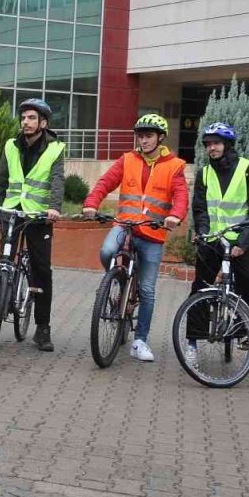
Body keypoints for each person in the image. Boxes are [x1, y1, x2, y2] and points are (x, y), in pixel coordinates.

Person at [82, 114, 188, 362]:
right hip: (125, 225)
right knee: (107, 252)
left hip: (153, 232)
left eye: (149, 135)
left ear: (160, 137)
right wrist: (91, 203)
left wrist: (175, 216)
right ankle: (116, 280)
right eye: (140, 135)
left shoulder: (175, 166)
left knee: (148, 290)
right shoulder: (127, 159)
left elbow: (181, 196)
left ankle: (140, 341)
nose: (144, 140)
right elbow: (105, 182)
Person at [0, 98, 65, 352]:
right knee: (4, 261)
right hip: (11, 212)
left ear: (43, 123)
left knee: (41, 271)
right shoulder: (11, 146)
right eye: (23, 118)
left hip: (39, 217)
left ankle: (43, 328)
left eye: (31, 118)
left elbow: (56, 181)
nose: (26, 122)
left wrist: (54, 207)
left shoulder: (55, 149)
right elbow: (1, 181)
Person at [185, 122, 249, 365]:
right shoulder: (205, 173)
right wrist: (201, 232)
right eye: (208, 144)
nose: (212, 148)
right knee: (200, 287)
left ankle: (245, 330)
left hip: (242, 240)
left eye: (216, 143)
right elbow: (199, 208)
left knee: (247, 282)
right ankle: (192, 341)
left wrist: (243, 241)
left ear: (227, 144)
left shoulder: (248, 170)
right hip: (213, 239)